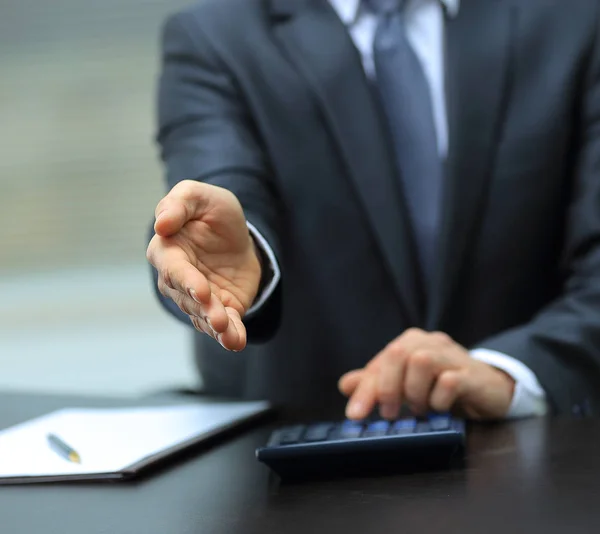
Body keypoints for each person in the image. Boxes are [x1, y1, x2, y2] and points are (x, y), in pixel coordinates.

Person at [147, 0, 600, 420]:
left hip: (532, 453)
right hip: (297, 466)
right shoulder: (215, 36)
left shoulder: (575, 18)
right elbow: (215, 182)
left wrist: (508, 371)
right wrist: (225, 251)